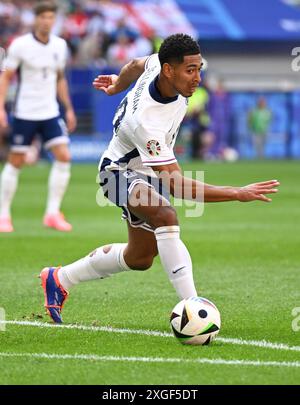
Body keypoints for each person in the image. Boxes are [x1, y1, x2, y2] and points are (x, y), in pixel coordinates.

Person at [39, 34, 279, 323]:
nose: (197, 78)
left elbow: (134, 63)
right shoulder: (147, 122)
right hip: (118, 173)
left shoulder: (158, 66)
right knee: (166, 215)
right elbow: (176, 185)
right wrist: (237, 193)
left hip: (148, 172)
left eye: (199, 68)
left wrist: (117, 85)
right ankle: (193, 309)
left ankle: (59, 277)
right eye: (190, 70)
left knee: (139, 258)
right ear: (169, 70)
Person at [0, 1, 77, 233]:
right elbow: (6, 76)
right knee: (16, 161)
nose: (46, 21)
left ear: (54, 20)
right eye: (42, 17)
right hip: (25, 111)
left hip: (50, 111)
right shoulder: (20, 45)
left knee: (63, 156)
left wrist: (69, 108)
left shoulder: (60, 45)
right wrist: (1, 107)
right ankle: (3, 214)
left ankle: (52, 213)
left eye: (50, 17)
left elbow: (60, 78)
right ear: (35, 19)